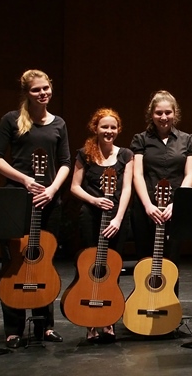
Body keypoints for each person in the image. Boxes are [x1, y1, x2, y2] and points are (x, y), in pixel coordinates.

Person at [0, 69, 70, 348]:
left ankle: (44, 326)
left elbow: (65, 162)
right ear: (27, 93)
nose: (42, 93)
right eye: (36, 90)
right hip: (17, 201)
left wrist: (51, 189)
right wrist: (25, 180)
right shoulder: (11, 120)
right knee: (14, 262)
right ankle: (13, 328)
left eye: (46, 88)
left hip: (48, 200)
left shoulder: (58, 123)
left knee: (44, 261)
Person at [69, 108, 133, 342]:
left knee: (112, 268)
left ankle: (109, 320)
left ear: (118, 130)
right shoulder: (85, 154)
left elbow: (127, 188)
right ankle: (89, 323)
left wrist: (117, 219)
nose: (109, 131)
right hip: (91, 215)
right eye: (104, 127)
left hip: (116, 218)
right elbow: (74, 187)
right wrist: (94, 199)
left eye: (113, 127)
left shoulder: (126, 154)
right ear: (95, 128)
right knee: (90, 267)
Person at [130, 90, 192, 296]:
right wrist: (148, 206)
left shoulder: (187, 140)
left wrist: (175, 204)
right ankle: (141, 309)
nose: (164, 117)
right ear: (151, 114)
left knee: (171, 262)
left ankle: (168, 311)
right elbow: (137, 174)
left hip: (174, 210)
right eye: (159, 112)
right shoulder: (140, 139)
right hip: (145, 209)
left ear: (175, 114)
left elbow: (190, 175)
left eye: (168, 112)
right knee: (144, 262)